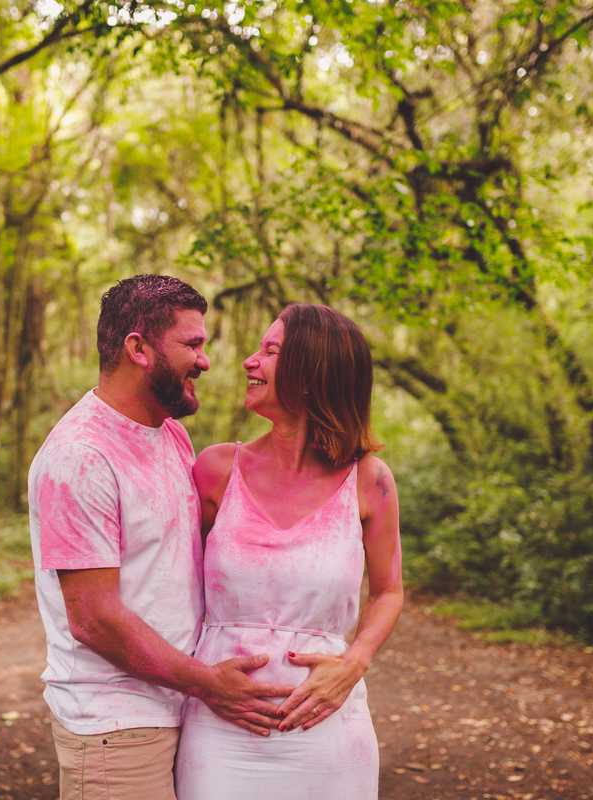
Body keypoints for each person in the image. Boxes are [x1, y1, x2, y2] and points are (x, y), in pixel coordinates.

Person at [27, 274, 296, 800]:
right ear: (138, 348)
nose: (206, 360)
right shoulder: (79, 457)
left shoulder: (170, 432)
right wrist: (206, 681)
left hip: (179, 710)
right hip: (114, 726)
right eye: (192, 344)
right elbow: (94, 619)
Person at [175, 303, 405, 800]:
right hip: (220, 729)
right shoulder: (215, 469)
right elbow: (172, 586)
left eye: (270, 351)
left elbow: (389, 592)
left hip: (327, 729)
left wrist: (355, 662)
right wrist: (195, 678)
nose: (248, 362)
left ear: (313, 369)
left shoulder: (370, 480)